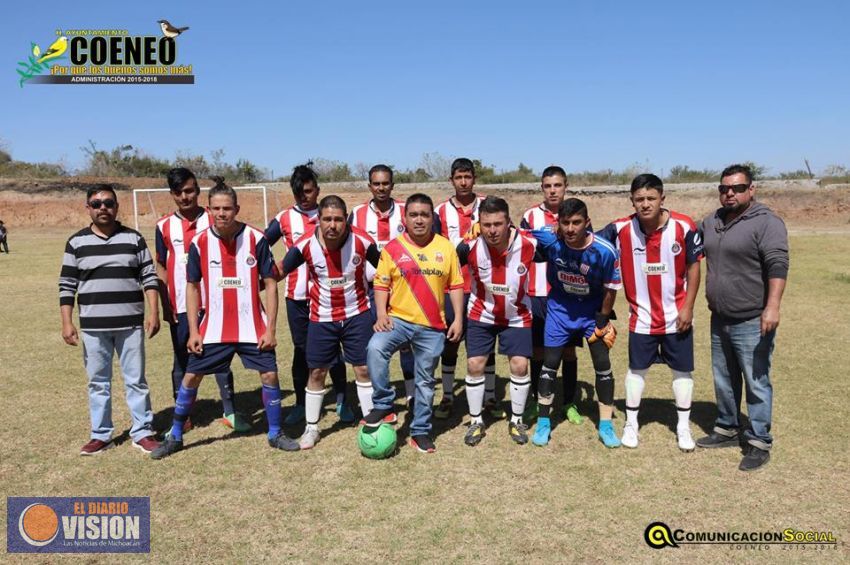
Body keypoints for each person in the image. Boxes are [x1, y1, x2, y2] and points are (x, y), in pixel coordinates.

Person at [151, 178, 299, 458]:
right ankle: (176, 435)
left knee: (269, 373)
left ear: (237, 209)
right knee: (191, 376)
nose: (222, 214)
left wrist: (270, 328)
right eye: (217, 209)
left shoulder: (256, 239)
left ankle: (275, 433)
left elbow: (270, 283)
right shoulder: (200, 242)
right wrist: (194, 330)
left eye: (227, 208)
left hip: (252, 325)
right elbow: (192, 287)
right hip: (213, 327)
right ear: (209, 209)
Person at [598, 174, 703, 452]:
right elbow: (588, 242)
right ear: (632, 200)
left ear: (662, 198)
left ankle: (683, 426)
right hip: (641, 318)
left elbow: (694, 268)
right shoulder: (620, 228)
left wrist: (688, 307)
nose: (645, 204)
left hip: (675, 316)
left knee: (682, 370)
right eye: (639, 199)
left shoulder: (683, 226)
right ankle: (631, 423)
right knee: (637, 370)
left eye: (651, 198)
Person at [696, 164, 789, 471]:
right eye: (724, 189)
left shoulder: (766, 222)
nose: (729, 193)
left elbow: (777, 265)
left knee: (756, 380)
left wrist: (772, 306)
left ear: (752, 189)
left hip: (752, 318)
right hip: (719, 317)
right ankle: (727, 427)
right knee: (724, 378)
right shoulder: (712, 221)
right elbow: (685, 240)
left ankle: (759, 440)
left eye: (736, 188)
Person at [59, 185, 161, 456]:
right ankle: (101, 434)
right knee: (98, 382)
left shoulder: (134, 239)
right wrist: (67, 322)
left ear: (116, 206)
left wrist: (154, 312)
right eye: (96, 203)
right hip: (93, 327)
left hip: (130, 324)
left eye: (108, 203)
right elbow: (67, 285)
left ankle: (143, 431)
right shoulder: (76, 242)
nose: (102, 207)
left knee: (136, 380)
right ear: (88, 207)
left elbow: (149, 278)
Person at [363, 194, 465, 453]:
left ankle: (419, 432)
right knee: (375, 348)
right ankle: (384, 404)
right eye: (413, 215)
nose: (419, 220)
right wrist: (381, 314)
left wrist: (458, 319)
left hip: (432, 326)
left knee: (425, 382)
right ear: (405, 218)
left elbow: (455, 285)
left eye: (424, 215)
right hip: (398, 320)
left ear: (432, 218)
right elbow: (381, 282)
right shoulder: (393, 248)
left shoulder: (445, 247)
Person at [277, 196, 381, 449]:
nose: (332, 225)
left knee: (363, 369)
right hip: (322, 317)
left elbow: (385, 270)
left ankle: (371, 422)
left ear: (346, 220)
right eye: (327, 219)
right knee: (317, 372)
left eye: (338, 219)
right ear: (318, 220)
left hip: (357, 314)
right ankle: (311, 429)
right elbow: (278, 271)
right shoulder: (304, 245)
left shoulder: (363, 241)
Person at [155, 167, 248, 434]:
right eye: (179, 192)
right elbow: (161, 265)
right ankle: (183, 415)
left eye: (190, 190)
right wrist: (165, 303)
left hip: (216, 302)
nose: (186, 196)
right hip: (182, 305)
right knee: (182, 359)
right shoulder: (163, 226)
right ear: (172, 194)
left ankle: (229, 409)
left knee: (221, 358)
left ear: (198, 191)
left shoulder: (216, 216)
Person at [529, 198, 622, 448]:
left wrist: (602, 320)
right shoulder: (552, 240)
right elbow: (516, 234)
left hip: (591, 315)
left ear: (587, 223)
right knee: (549, 365)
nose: (570, 229)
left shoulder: (604, 251)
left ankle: (606, 426)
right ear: (558, 223)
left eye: (576, 223)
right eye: (565, 222)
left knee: (602, 366)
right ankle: (543, 423)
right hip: (559, 311)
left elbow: (610, 290)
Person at [265, 164, 351, 424]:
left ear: (317, 190)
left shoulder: (331, 214)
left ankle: (342, 400)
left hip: (329, 294)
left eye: (309, 191)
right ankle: (302, 404)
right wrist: (267, 273)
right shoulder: (283, 218)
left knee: (335, 350)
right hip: (297, 297)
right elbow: (258, 245)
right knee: (301, 351)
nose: (305, 196)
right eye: (299, 192)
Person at [456, 196, 536, 446]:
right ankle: (476, 421)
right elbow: (446, 272)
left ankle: (517, 420)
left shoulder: (530, 244)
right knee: (475, 364)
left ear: (508, 222)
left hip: (517, 315)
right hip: (481, 313)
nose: (492, 230)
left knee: (520, 366)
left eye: (497, 224)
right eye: (486, 224)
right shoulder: (466, 248)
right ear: (479, 224)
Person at [432, 158, 497, 419]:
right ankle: (448, 396)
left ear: (474, 178)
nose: (463, 182)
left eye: (467, 177)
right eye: (458, 177)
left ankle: (490, 397)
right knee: (450, 343)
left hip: (484, 287)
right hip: (452, 289)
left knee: (483, 344)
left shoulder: (488, 206)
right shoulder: (440, 211)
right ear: (451, 180)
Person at [348, 165, 416, 409]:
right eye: (376, 184)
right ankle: (380, 399)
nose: (381, 188)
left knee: (407, 346)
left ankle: (411, 395)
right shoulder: (356, 214)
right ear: (369, 186)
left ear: (392, 185)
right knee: (375, 348)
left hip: (403, 290)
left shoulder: (405, 211)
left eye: (385, 183)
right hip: (369, 291)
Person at [520, 166, 583, 425]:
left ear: (566, 185)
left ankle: (569, 403)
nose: (552, 190)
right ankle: (536, 401)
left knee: (568, 351)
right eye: (547, 186)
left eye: (557, 185)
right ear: (542, 188)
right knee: (537, 351)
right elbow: (523, 249)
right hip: (536, 294)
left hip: (567, 295)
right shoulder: (530, 216)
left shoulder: (576, 214)